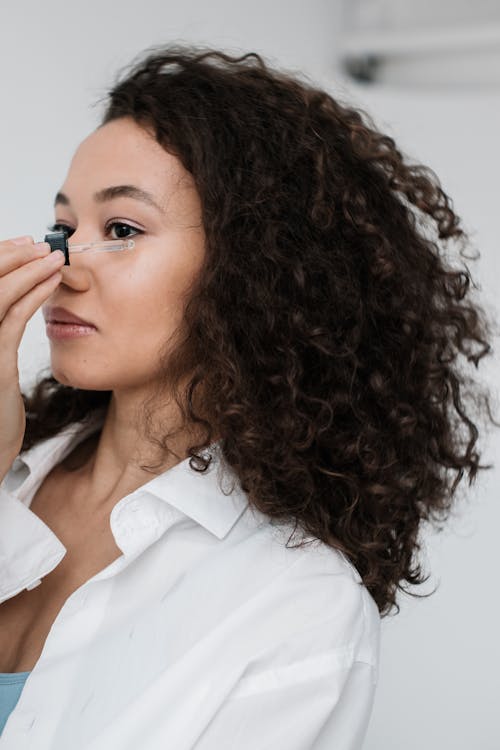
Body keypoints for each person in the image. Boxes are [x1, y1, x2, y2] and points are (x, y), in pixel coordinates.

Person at [0, 44, 497, 749]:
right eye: (63, 227)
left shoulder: (297, 610)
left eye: (121, 230)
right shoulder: (12, 473)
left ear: (251, 270)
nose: (63, 266)